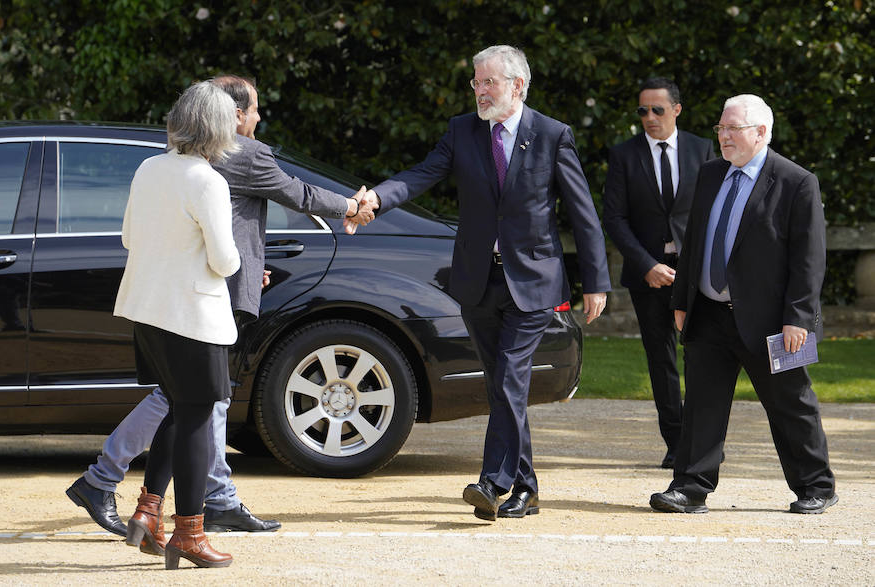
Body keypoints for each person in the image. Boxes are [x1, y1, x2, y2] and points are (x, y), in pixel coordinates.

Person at [66, 74, 376, 536]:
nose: (256, 118)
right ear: (227, 117)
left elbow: (142, 236)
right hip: (204, 296)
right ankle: (155, 496)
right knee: (194, 400)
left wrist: (249, 266)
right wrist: (353, 207)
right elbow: (297, 197)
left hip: (159, 299)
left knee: (192, 399)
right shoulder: (236, 157)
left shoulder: (154, 166)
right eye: (252, 109)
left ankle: (162, 501)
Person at [349, 45, 610, 521]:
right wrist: (378, 199)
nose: (480, 90)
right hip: (477, 281)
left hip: (533, 280)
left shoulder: (552, 135)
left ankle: (493, 482)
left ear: (518, 85)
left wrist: (596, 281)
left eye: (489, 82)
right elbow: (420, 175)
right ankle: (527, 487)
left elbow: (583, 213)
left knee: (510, 375)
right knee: (500, 385)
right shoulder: (462, 131)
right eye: (476, 81)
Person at [649, 94, 837, 514]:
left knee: (791, 404)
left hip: (775, 322)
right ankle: (690, 487)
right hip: (710, 314)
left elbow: (809, 259)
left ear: (761, 132)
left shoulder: (796, 181)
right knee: (701, 404)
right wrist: (682, 300)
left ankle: (816, 487)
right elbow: (693, 241)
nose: (724, 136)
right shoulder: (712, 173)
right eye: (721, 128)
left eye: (733, 129)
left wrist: (799, 318)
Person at [114, 80, 240, 568]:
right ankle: (189, 533)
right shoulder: (207, 179)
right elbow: (226, 262)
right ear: (219, 128)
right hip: (192, 316)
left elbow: (129, 237)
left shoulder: (149, 167)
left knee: (178, 408)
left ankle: (149, 512)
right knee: (196, 416)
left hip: (147, 309)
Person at [602, 78, 715, 468]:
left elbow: (710, 212)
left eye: (657, 110)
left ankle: (701, 440)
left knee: (700, 353)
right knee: (661, 358)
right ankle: (676, 442)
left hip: (694, 272)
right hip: (646, 272)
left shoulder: (703, 149)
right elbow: (614, 219)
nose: (649, 118)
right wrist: (646, 265)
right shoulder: (623, 155)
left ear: (677, 109)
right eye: (642, 111)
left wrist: (697, 267)